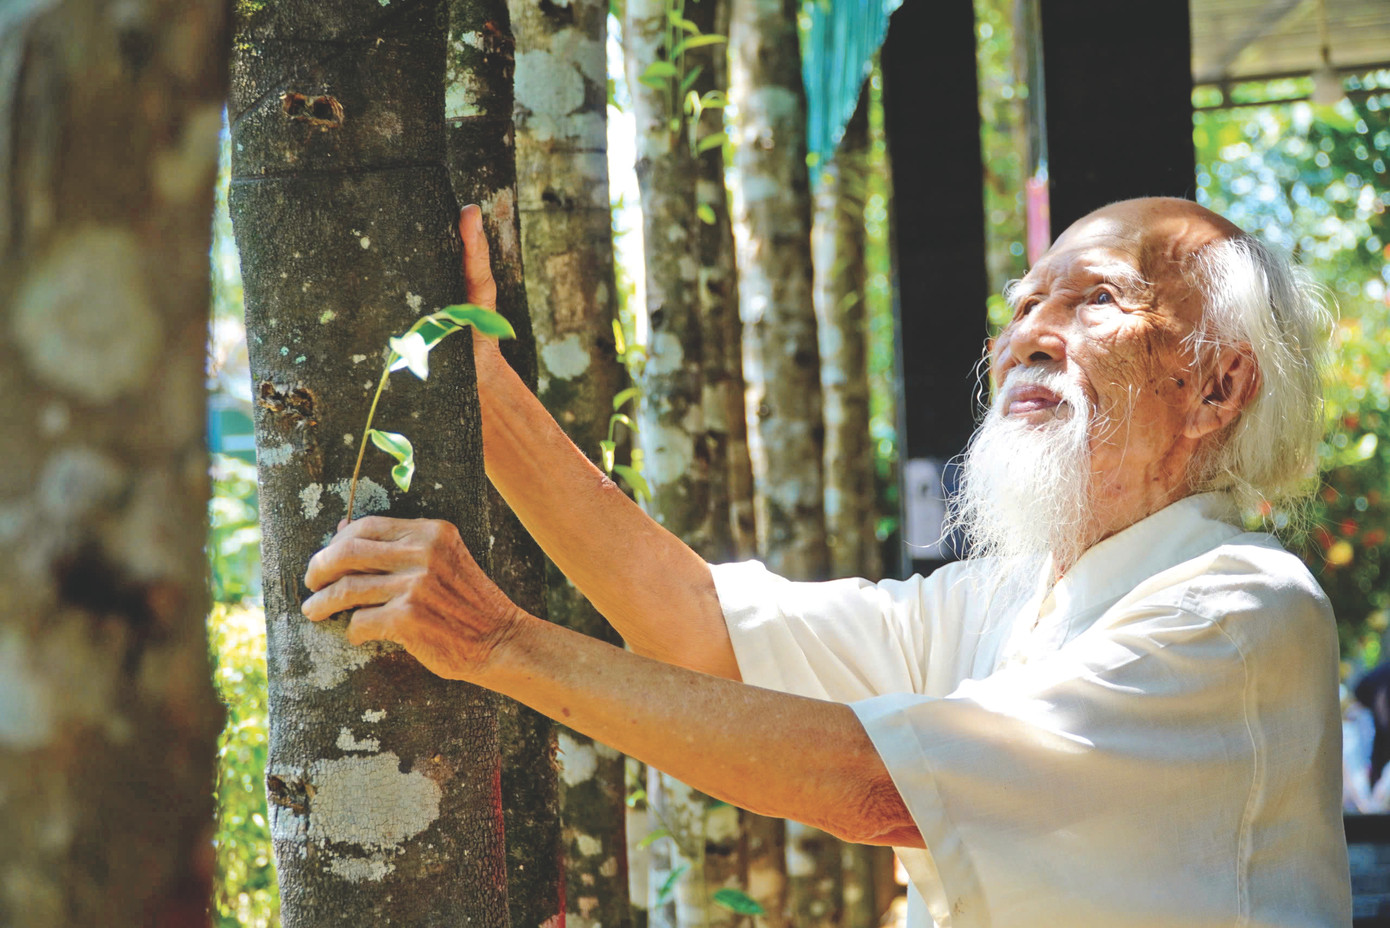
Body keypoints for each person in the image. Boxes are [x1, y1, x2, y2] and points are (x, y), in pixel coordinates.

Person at [302, 197, 1353, 926]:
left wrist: (494, 642)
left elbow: (870, 784)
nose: (1030, 332)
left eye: (1094, 300)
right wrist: (481, 396)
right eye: (1025, 303)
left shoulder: (1241, 608)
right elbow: (698, 628)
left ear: (1217, 387)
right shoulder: (1004, 599)